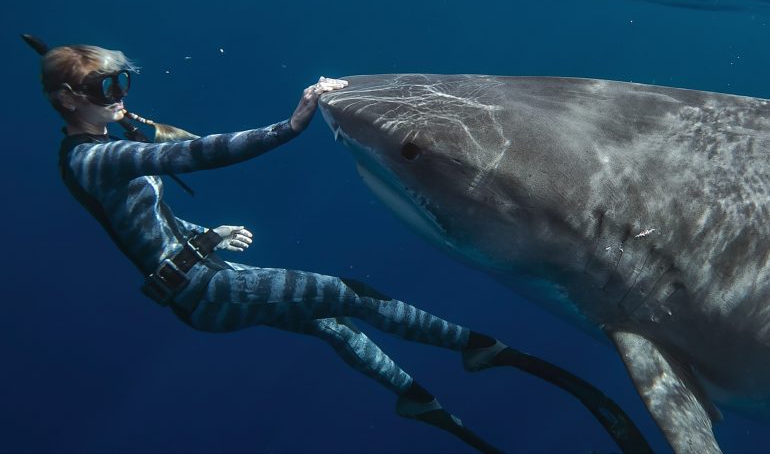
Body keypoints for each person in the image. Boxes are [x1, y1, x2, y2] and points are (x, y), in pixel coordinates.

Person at [24, 35, 650, 454]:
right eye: (108, 90)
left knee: (333, 325)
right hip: (203, 290)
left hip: (197, 279)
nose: (123, 97)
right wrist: (292, 124)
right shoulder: (97, 161)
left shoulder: (101, 147)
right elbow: (195, 153)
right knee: (346, 294)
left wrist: (201, 236)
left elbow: (144, 226)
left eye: (123, 82)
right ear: (69, 100)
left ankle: (422, 405)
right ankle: (481, 350)